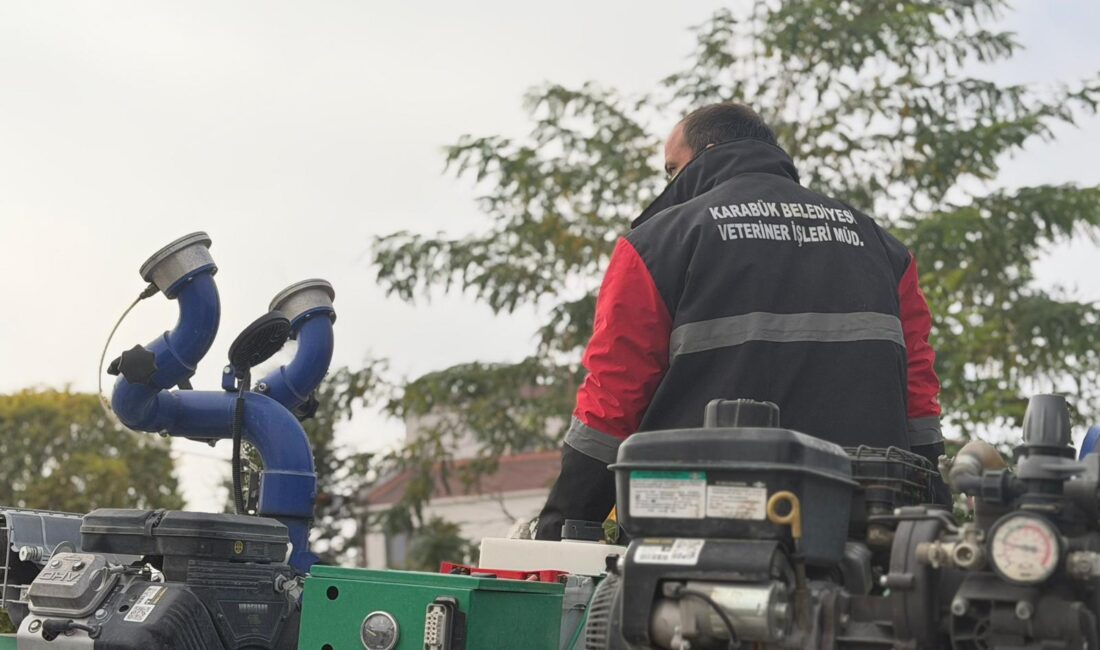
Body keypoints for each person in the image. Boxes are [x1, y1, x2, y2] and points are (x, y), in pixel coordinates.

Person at [535, 102, 944, 540]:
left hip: (695, 536)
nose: (671, 184)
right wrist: (934, 514)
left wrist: (563, 526)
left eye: (672, 170)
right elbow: (918, 402)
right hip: (861, 532)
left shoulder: (657, 244)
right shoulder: (883, 248)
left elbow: (614, 398)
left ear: (706, 152)